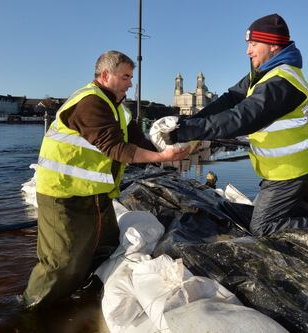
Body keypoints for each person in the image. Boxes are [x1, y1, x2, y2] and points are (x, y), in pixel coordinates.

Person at [23, 50, 189, 307]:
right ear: (105, 75)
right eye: (125, 77)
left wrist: (166, 152)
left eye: (131, 77)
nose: (130, 83)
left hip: (96, 194)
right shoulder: (90, 103)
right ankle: (31, 309)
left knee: (104, 246)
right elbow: (117, 149)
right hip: (62, 194)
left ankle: (83, 299)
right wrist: (163, 158)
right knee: (62, 261)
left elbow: (137, 140)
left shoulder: (119, 108)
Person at [162, 14, 308, 236]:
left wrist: (187, 132)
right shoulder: (262, 73)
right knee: (307, 217)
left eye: (254, 44)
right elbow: (230, 99)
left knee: (262, 227)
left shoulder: (283, 82)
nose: (248, 50)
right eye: (248, 44)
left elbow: (242, 118)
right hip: (296, 165)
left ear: (274, 45)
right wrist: (188, 121)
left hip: (289, 172)